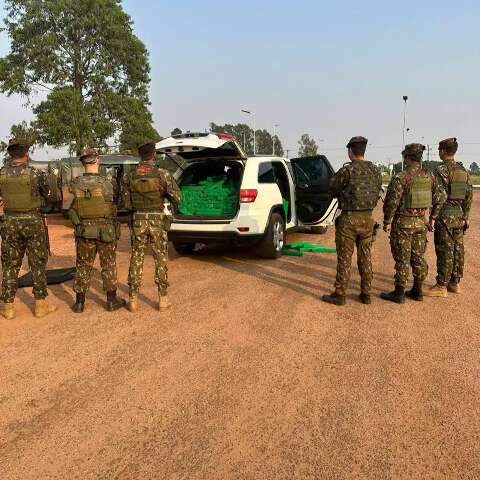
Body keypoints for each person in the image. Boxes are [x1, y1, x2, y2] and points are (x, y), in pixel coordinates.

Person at [381, 143, 446, 303]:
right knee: (418, 256)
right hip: (420, 223)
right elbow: (441, 197)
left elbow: (391, 202)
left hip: (403, 223)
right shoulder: (429, 176)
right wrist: (432, 218)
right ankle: (417, 290)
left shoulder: (401, 177)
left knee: (402, 258)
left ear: (407, 157)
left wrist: (387, 220)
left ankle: (399, 292)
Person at [0, 139, 57, 319]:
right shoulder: (35, 174)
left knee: (10, 264)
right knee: (37, 263)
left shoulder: (1, 174)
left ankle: (8, 307)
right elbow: (50, 196)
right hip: (33, 221)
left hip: (9, 222)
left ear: (10, 154)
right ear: (27, 153)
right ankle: (40, 305)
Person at [322, 136, 382, 306]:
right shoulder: (375, 171)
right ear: (363, 151)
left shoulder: (346, 171)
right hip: (368, 219)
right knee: (366, 257)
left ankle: (340, 294)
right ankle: (366, 293)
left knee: (345, 258)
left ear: (350, 151)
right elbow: (377, 190)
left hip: (349, 220)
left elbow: (332, 189)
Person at [122, 141, 181, 312]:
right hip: (157, 220)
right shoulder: (163, 174)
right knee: (160, 257)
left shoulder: (129, 176)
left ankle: (132, 299)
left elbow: (126, 203)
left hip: (138, 219)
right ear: (153, 154)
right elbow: (177, 198)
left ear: (140, 155)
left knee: (137, 257)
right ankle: (163, 300)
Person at [69, 149, 126, 313]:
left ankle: (79, 303)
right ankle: (111, 300)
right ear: (98, 161)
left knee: (83, 265)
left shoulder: (74, 184)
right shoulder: (109, 183)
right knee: (108, 265)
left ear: (82, 163)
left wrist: (78, 223)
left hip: (84, 230)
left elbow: (69, 209)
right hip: (106, 229)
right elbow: (118, 203)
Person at [426, 138, 473, 297]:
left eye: (439, 149)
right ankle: (455, 283)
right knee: (458, 249)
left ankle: (441, 285)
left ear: (443, 151)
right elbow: (468, 194)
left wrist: (432, 217)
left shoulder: (440, 170)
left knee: (444, 250)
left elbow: (440, 196)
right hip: (459, 215)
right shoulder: (463, 170)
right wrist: (465, 215)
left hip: (445, 215)